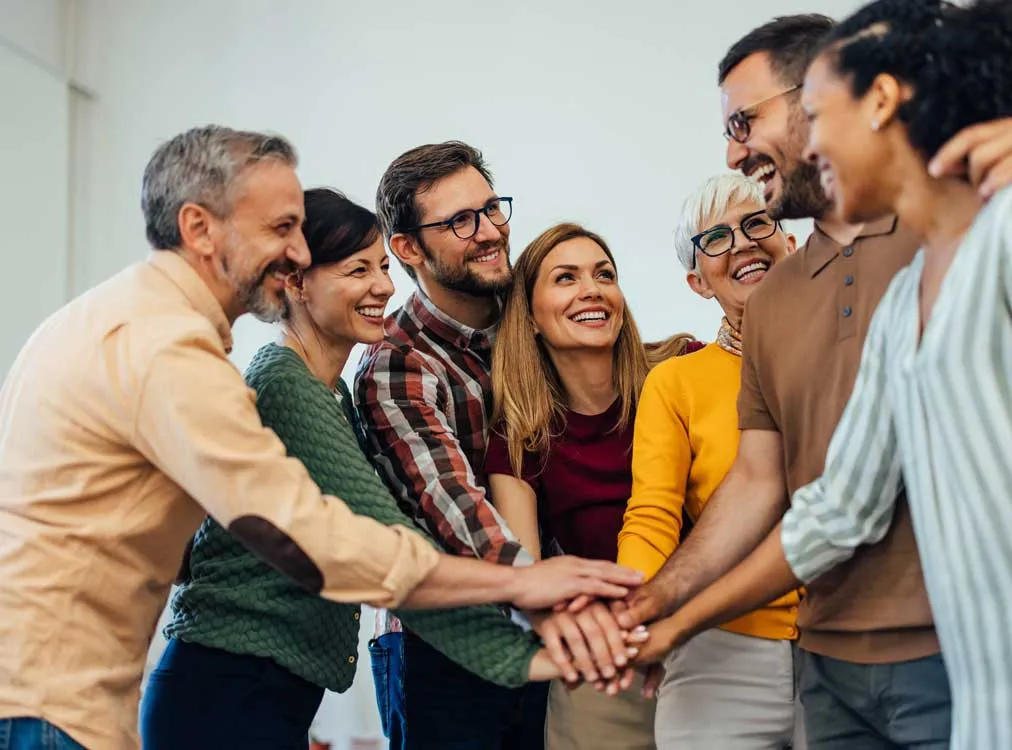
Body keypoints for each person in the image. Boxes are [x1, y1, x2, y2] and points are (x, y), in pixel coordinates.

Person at [0, 126, 641, 750]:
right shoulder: (175, 352)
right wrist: (522, 587)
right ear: (199, 228)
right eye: (281, 229)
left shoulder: (132, 328)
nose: (299, 253)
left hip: (81, 700)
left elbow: (183, 552)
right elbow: (322, 540)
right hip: (58, 704)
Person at [616, 13, 1012, 750]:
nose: (812, 144)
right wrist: (666, 615)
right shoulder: (901, 303)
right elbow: (838, 505)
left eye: (812, 115)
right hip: (950, 688)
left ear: (878, 100)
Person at [139, 188, 575, 749]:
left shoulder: (331, 392)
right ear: (295, 283)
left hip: (264, 688)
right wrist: (528, 636)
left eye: (383, 268)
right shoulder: (285, 385)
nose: (383, 287)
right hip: (227, 687)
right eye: (357, 270)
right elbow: (384, 542)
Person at [355, 142, 632, 749]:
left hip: (547, 631)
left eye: (492, 209)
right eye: (460, 221)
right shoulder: (398, 364)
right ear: (407, 249)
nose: (489, 232)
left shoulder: (529, 317)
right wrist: (548, 597)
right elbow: (455, 506)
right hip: (445, 651)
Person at [486, 222, 698, 749]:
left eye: (604, 274)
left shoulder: (680, 369)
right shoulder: (521, 434)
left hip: (712, 637)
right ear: (530, 317)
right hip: (604, 660)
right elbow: (525, 567)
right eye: (566, 278)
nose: (592, 290)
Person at [617, 174, 803, 749]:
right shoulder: (676, 383)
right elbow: (652, 516)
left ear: (789, 243)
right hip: (721, 647)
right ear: (698, 282)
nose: (743, 243)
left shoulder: (851, 350)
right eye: (716, 238)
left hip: (851, 643)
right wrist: (637, 614)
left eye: (756, 224)